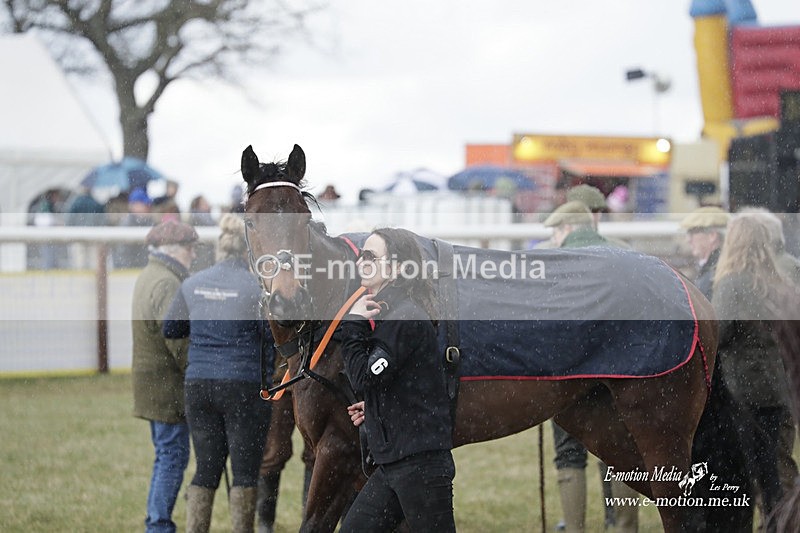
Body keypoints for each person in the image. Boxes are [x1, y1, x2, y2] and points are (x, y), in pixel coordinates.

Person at [339, 227, 455, 532]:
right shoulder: (395, 314)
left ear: (397, 269)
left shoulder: (403, 317)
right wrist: (377, 407)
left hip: (419, 464)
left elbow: (363, 376)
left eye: (370, 256)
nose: (362, 262)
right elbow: (400, 382)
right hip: (396, 463)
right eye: (361, 255)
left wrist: (352, 326)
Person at [162, 213, 273, 533]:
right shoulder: (256, 287)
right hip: (243, 385)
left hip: (199, 385)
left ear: (218, 250)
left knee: (206, 469)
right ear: (247, 252)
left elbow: (171, 329)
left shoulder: (193, 283)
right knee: (245, 472)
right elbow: (268, 336)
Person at [543, 201, 639, 533]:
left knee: (569, 454)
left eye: (556, 231)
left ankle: (574, 528)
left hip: (570, 374)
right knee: (621, 453)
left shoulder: (555, 261)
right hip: (618, 372)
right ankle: (624, 528)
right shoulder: (624, 254)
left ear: (568, 228)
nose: (554, 238)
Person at [712, 215, 799, 529]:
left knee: (743, 478)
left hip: (742, 393)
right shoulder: (778, 281)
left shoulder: (733, 283)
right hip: (777, 390)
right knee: (775, 472)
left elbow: (718, 333)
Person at [131, 220, 198, 533]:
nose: (194, 255)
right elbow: (179, 342)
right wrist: (201, 371)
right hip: (166, 389)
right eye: (190, 248)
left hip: (156, 386)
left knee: (167, 456)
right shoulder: (167, 283)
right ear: (175, 250)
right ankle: (158, 526)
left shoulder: (153, 275)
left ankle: (157, 523)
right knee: (172, 458)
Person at [679, 206, 729, 299]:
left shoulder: (715, 273)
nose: (688, 240)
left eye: (692, 232)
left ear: (712, 236)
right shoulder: (718, 267)